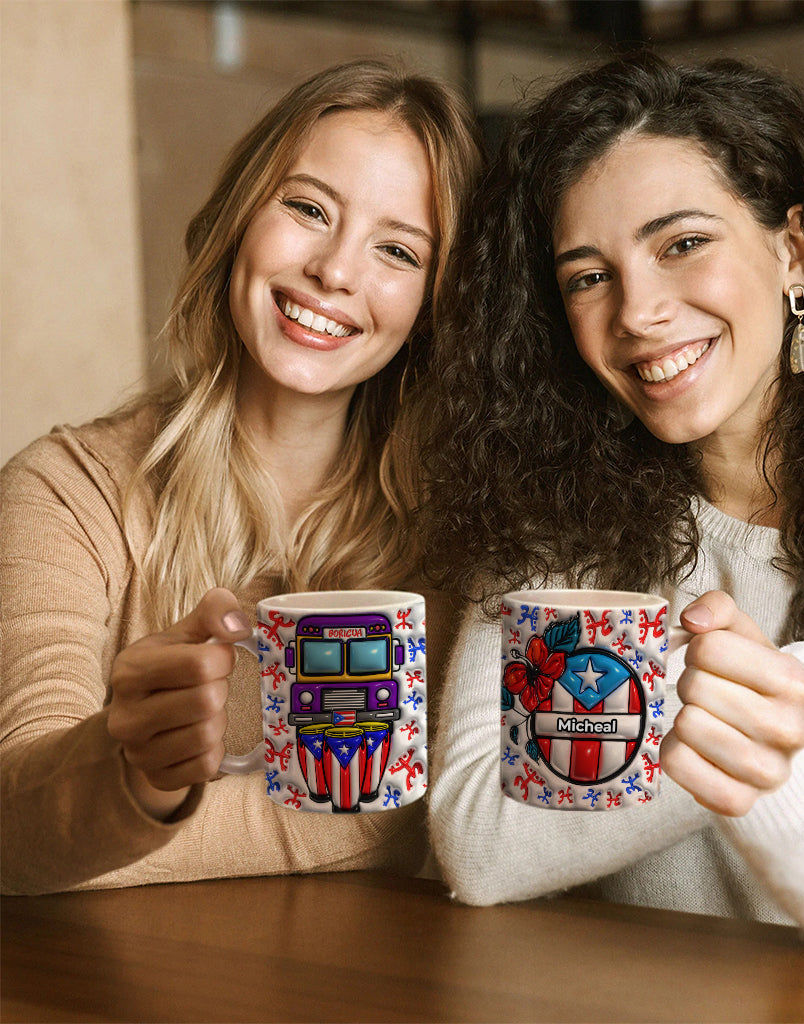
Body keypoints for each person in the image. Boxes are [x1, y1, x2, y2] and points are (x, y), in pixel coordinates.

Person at [416, 53, 804, 949]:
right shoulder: (551, 541)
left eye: (682, 244)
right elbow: (480, 845)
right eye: (588, 276)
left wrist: (774, 695)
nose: (637, 311)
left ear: (794, 252)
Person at [0, 59, 482, 895]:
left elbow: (428, 805)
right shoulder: (65, 491)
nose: (335, 270)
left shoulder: (460, 532)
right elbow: (16, 825)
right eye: (307, 208)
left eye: (397, 250)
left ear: (434, 304)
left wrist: (123, 834)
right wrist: (138, 776)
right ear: (237, 220)